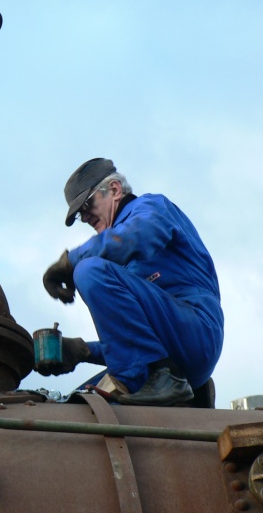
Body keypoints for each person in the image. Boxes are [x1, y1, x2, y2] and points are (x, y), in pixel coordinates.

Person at [38, 158, 223, 407]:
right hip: (170, 358)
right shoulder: (116, 265)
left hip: (197, 334)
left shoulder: (151, 207)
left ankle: (149, 381)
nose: (84, 217)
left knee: (88, 270)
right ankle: (156, 385)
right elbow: (136, 345)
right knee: (77, 403)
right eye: (79, 213)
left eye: (86, 204)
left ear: (114, 190)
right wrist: (83, 351)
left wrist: (70, 262)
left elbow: (137, 236)